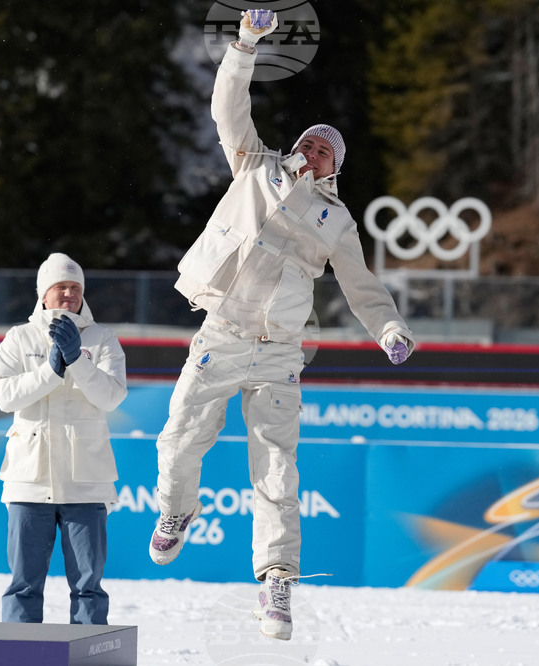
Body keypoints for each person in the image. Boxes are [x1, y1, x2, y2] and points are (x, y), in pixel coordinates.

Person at [148, 10, 415, 641]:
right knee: (180, 439)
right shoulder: (255, 167)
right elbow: (225, 106)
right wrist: (246, 44)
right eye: (306, 139)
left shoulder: (337, 221)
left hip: (277, 353)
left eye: (323, 147)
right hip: (221, 332)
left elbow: (360, 285)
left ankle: (276, 583)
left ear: (334, 166)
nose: (310, 147)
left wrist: (389, 329)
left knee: (276, 470)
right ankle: (175, 512)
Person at [0, 252, 128, 624]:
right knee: (23, 585)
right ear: (43, 294)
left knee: (88, 586)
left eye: (75, 287)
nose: (68, 294)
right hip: (28, 483)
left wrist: (77, 361)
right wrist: (51, 370)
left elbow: (111, 396)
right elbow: (3, 395)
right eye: (60, 287)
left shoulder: (103, 339)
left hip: (86, 483)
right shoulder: (19, 338)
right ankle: (19, 656)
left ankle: (87, 656)